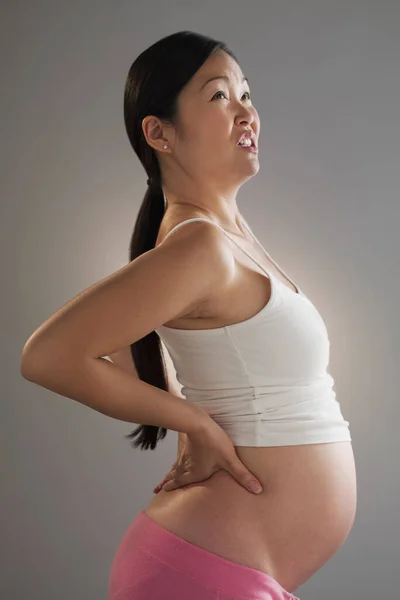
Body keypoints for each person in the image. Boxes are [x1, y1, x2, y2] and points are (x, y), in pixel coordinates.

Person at [21, 31, 357, 600]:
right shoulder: (199, 245)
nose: (247, 110)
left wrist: (190, 408)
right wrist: (194, 423)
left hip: (226, 571)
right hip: (199, 575)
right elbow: (47, 357)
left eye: (247, 94)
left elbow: (147, 355)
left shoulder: (225, 238)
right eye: (220, 96)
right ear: (160, 133)